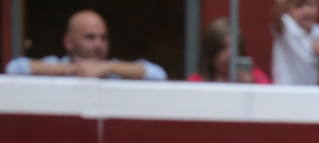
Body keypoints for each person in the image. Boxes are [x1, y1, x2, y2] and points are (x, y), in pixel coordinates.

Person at [4, 9, 166, 80]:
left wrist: (109, 68)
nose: (99, 44)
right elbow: (14, 68)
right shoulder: (56, 66)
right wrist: (74, 69)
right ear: (69, 42)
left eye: (103, 38)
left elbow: (158, 74)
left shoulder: (114, 69)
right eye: (90, 37)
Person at [188, 17, 271, 83]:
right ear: (210, 51)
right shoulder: (196, 83)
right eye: (222, 48)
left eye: (234, 47)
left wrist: (251, 88)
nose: (229, 54)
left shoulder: (257, 78)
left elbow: (269, 101)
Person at [272, 0, 319, 86]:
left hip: (309, 91)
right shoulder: (287, 26)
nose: (306, 11)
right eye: (299, 6)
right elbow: (276, 22)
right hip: (285, 89)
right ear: (289, 10)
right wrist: (280, 4)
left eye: (311, 5)